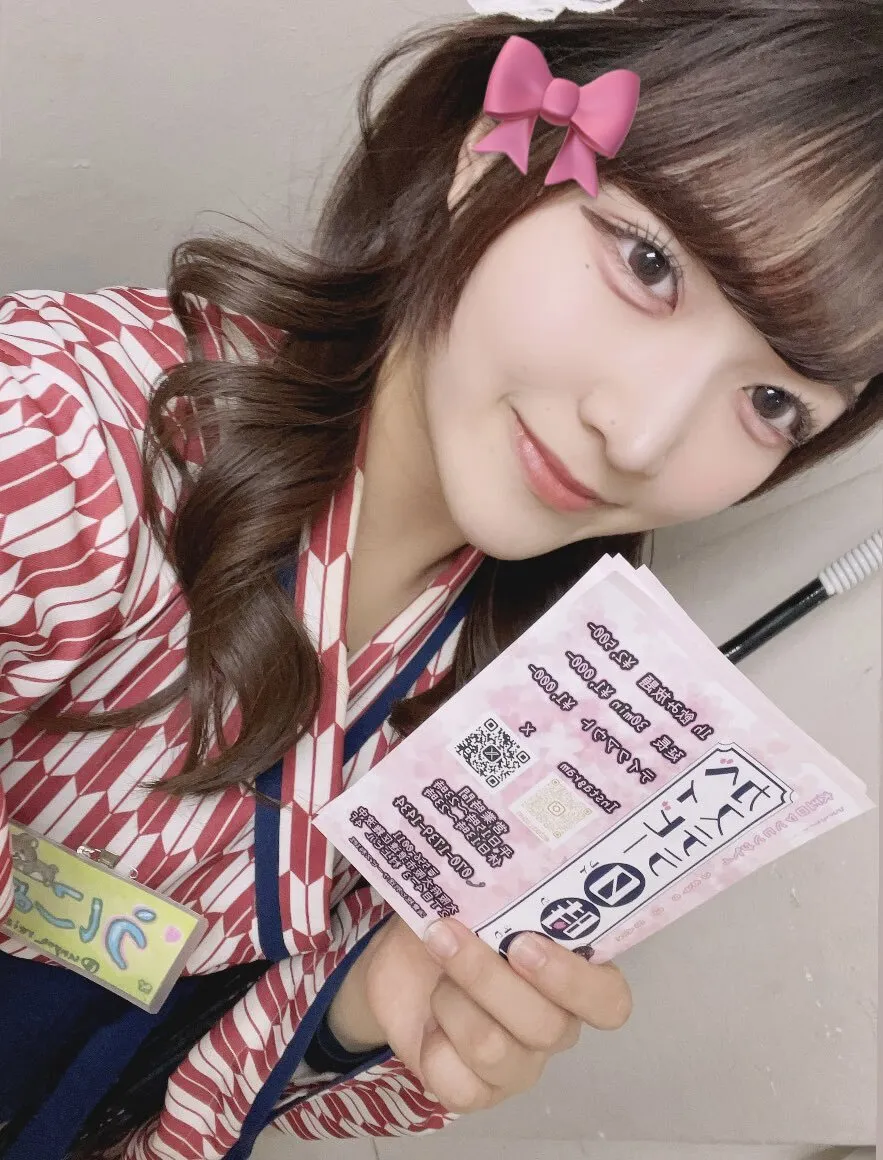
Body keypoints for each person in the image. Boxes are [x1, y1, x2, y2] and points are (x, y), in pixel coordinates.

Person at [0, 1, 880, 1157]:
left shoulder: (519, 696)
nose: (640, 434)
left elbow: (172, 1097)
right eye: (648, 262)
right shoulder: (57, 447)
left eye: (771, 400)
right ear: (487, 155)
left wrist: (355, 1014)